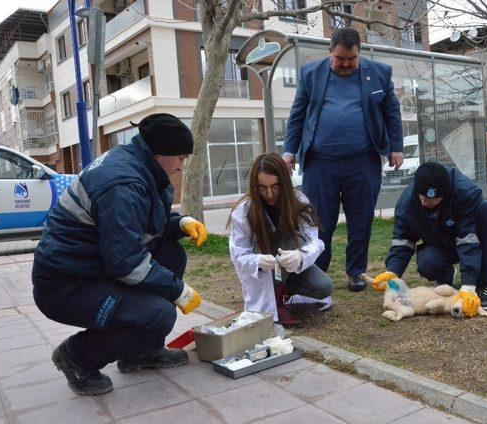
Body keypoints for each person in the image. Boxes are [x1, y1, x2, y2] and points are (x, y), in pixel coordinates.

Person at [32, 114, 208, 395]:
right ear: (161, 153)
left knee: (172, 255)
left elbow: (139, 225)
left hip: (92, 267)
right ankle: (77, 356)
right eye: (181, 158)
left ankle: (141, 352)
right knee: (159, 315)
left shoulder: (138, 164)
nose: (180, 167)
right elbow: (125, 263)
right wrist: (178, 290)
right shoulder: (122, 183)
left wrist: (180, 223)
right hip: (66, 285)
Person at [283, 27, 404, 292]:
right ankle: (317, 272)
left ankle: (356, 272)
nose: (346, 64)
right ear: (330, 53)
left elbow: (391, 112)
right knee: (318, 222)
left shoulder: (379, 73)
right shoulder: (310, 74)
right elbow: (297, 116)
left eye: (352, 58)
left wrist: (396, 147)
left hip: (363, 162)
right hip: (320, 163)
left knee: (360, 220)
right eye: (340, 58)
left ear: (359, 54)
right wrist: (289, 152)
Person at [373, 162, 487, 313]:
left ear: (445, 194)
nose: (423, 201)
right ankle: (446, 275)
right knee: (427, 262)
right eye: (421, 195)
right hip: (440, 243)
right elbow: (402, 241)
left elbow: (468, 239)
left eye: (429, 198)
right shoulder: (407, 203)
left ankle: (484, 284)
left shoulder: (465, 193)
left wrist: (468, 286)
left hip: (471, 239)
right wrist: (393, 272)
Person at [229, 153, 333, 328]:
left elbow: (315, 241)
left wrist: (300, 256)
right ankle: (275, 300)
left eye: (275, 187)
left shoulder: (298, 201)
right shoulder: (243, 211)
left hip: (289, 264)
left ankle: (284, 291)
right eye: (262, 188)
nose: (269, 194)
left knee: (323, 286)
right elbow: (239, 255)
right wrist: (258, 260)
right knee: (282, 237)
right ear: (255, 187)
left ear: (284, 183)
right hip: (265, 269)